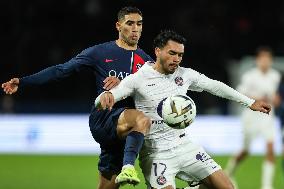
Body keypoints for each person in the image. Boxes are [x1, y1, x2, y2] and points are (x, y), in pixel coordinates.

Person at [95, 30, 271, 189]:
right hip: (156, 154)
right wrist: (103, 98)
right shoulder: (138, 79)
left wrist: (249, 102)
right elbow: (107, 97)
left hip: (185, 147)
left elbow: (215, 86)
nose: (177, 59)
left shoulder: (185, 75)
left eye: (180, 55)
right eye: (172, 53)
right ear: (158, 51)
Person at [1, 6, 153, 189]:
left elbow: (152, 92)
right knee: (141, 119)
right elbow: (61, 70)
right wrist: (23, 82)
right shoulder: (100, 52)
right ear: (118, 26)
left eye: (139, 24)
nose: (135, 28)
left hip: (124, 129)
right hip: (105, 118)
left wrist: (124, 82)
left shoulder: (146, 61)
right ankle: (129, 167)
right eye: (130, 23)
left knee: (108, 186)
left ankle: (125, 165)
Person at [225, 47, 281, 189]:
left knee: (270, 147)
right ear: (257, 60)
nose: (265, 62)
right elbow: (240, 95)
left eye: (268, 59)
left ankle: (267, 186)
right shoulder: (249, 76)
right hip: (251, 118)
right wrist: (258, 99)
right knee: (245, 151)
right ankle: (228, 173)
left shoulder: (275, 76)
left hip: (268, 117)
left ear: (271, 61)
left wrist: (276, 99)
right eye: (262, 59)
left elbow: (275, 97)